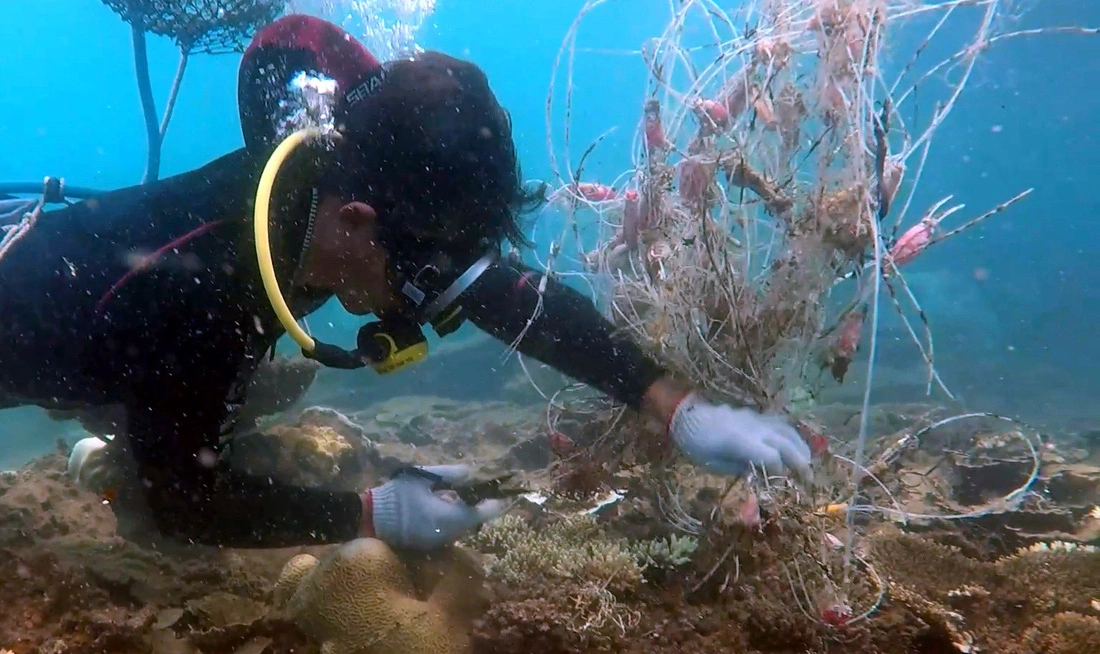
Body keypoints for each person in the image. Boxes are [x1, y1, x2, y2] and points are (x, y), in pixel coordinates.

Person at [0, 15, 810, 551]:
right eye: (426, 270)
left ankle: (101, 449)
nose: (435, 293)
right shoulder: (203, 291)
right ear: (354, 222)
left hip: (125, 351)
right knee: (159, 462)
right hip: (21, 321)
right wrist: (370, 514)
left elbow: (513, 298)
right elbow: (183, 502)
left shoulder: (351, 195)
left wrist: (675, 407)